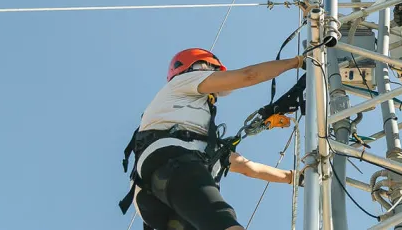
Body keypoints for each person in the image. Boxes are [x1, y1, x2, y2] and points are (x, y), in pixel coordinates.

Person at [122, 48, 306, 230]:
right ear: (200, 66)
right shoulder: (183, 81)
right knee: (222, 220)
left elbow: (248, 167)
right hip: (173, 163)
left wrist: (293, 177)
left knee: (215, 220)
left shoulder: (201, 140)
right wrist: (297, 62)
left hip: (152, 196)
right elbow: (249, 75)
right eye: (214, 70)